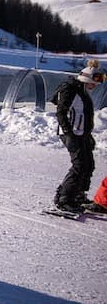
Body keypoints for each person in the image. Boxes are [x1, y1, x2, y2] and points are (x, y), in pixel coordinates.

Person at [52, 59, 104, 212]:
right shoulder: (70, 89)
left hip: (81, 134)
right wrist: (69, 134)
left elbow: (84, 115)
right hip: (71, 134)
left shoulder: (82, 91)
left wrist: (88, 135)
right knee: (79, 166)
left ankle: (78, 195)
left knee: (88, 165)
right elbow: (61, 112)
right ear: (87, 79)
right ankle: (64, 199)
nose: (94, 87)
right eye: (93, 83)